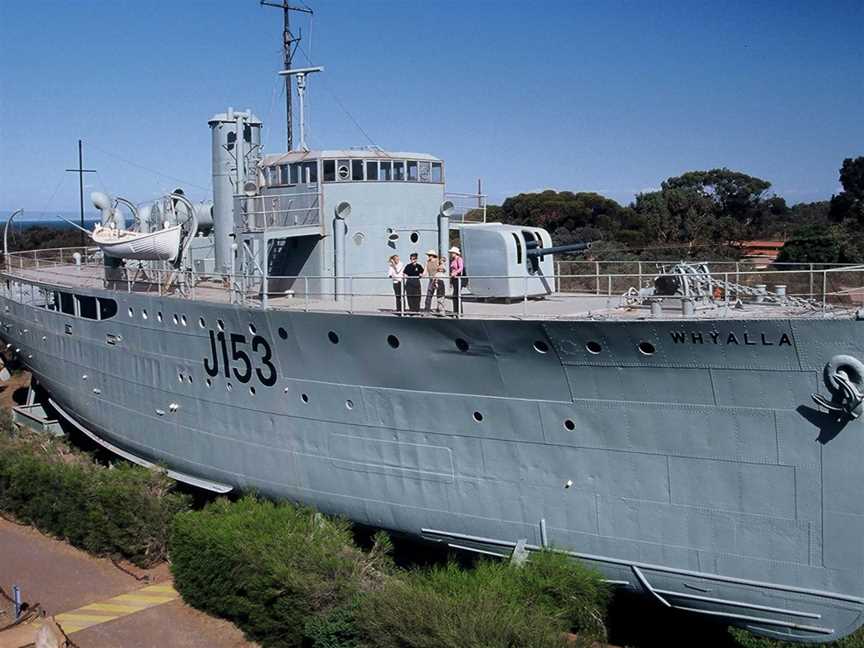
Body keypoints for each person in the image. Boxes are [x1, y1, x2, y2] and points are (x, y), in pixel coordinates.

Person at [449, 246, 464, 314]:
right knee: (455, 295)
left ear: (455, 253)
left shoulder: (459, 259)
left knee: (457, 294)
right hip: (454, 279)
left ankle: (459, 311)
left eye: (452, 253)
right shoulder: (452, 260)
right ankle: (455, 311)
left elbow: (461, 268)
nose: (451, 254)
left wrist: (455, 272)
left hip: (458, 278)